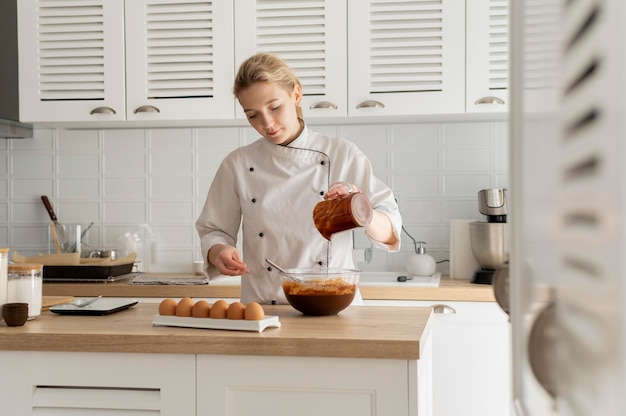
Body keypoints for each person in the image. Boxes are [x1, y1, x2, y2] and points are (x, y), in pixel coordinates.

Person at [196, 53, 401, 304]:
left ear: (296, 95)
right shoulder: (237, 164)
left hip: (333, 307)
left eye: (274, 107)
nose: (267, 123)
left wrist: (358, 207)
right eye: (253, 115)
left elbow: (390, 231)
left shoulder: (342, 154)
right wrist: (220, 252)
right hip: (264, 310)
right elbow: (213, 230)